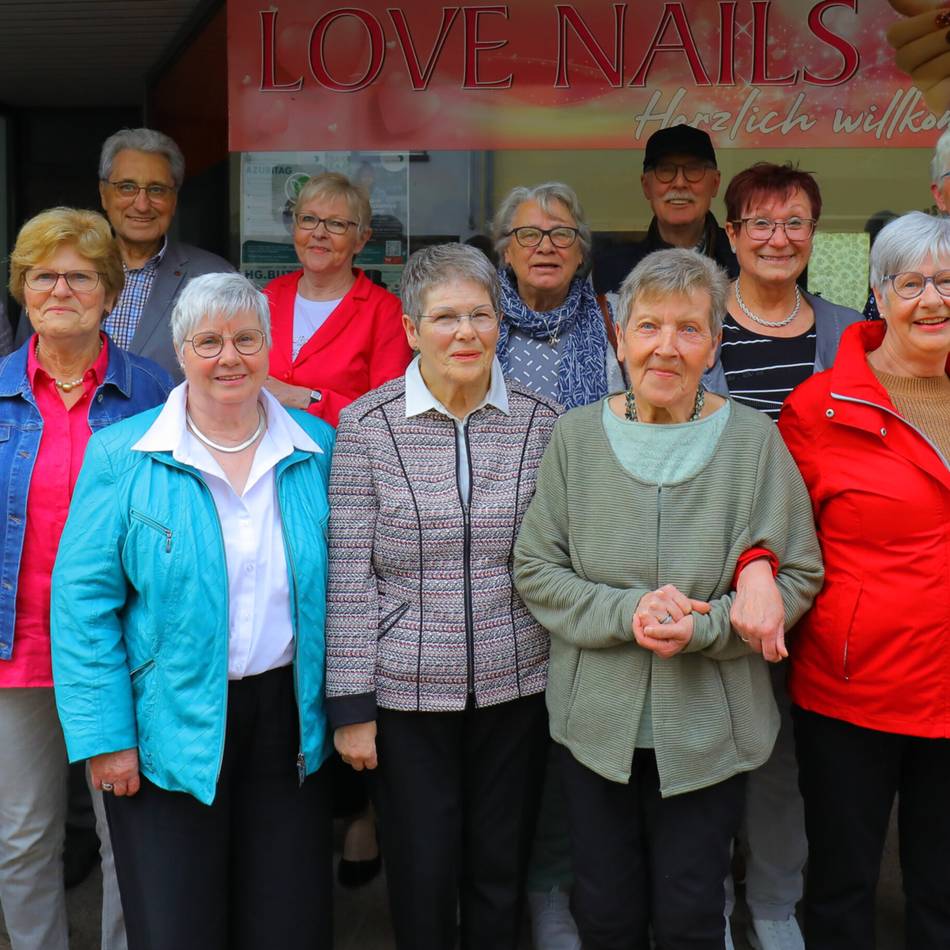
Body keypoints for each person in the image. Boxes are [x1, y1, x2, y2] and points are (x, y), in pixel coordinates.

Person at [513, 247, 824, 950]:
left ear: (714, 344)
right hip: (595, 725)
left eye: (689, 329)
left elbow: (798, 573)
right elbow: (536, 568)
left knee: (690, 917)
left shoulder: (753, 442)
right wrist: (626, 613)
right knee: (607, 912)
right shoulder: (575, 438)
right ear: (619, 338)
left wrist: (708, 626)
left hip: (708, 729)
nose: (666, 346)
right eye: (648, 326)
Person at [50, 273, 335, 950]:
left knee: (285, 925)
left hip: (289, 721)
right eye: (208, 342)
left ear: (268, 348)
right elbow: (83, 604)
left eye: (245, 339)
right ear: (181, 352)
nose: (229, 357)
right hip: (165, 727)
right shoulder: (125, 454)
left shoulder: (317, 448)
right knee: (179, 926)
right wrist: (106, 738)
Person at [326, 243, 560, 950]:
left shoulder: (542, 423)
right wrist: (352, 709)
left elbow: (556, 557)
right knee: (423, 874)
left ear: (501, 324)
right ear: (410, 329)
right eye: (446, 317)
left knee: (499, 871)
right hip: (404, 699)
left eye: (481, 315)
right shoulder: (367, 427)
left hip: (517, 687)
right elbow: (348, 575)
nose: (466, 333)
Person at [0, 207, 172, 950]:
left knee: (126, 839)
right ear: (23, 290)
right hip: (18, 651)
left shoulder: (155, 392)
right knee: (23, 837)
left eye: (79, 275)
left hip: (122, 652)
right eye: (44, 275)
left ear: (108, 291)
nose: (60, 288)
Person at [779, 210, 950, 950]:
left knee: (944, 886)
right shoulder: (820, 408)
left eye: (947, 281)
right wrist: (755, 574)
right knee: (844, 883)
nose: (933, 299)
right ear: (878, 295)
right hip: (857, 688)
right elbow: (772, 535)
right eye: (912, 282)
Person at [704, 161, 862, 950]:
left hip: (820, 578)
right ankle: (707, 911)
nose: (777, 238)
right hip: (707, 575)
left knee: (787, 756)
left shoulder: (849, 335)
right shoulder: (695, 328)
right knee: (709, 741)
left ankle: (772, 906)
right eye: (759, 223)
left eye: (795, 222)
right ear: (730, 235)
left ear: (814, 234)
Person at [15, 128, 235, 381]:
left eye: (157, 190)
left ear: (174, 199)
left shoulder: (214, 277)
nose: (141, 204)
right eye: (127, 187)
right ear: (103, 193)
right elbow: (26, 366)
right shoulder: (52, 277)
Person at [262, 171, 412, 428]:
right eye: (308, 219)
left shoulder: (385, 312)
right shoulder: (270, 296)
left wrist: (306, 398)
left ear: (361, 240)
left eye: (336, 224)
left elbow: (388, 417)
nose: (319, 233)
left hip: (342, 462)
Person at [594, 125, 738, 296]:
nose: (679, 183)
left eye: (693, 170)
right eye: (665, 170)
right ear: (646, 186)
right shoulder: (612, 270)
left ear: (715, 183)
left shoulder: (742, 264)